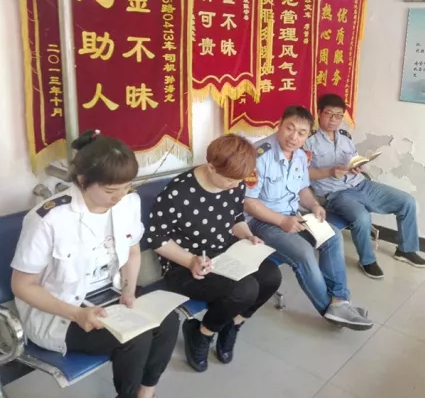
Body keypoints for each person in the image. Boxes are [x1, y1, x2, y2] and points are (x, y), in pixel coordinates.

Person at [11, 130, 179, 398]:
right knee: (136, 338)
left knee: (168, 322)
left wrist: (129, 291)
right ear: (82, 180)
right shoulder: (48, 219)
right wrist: (76, 314)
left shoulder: (128, 203)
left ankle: (146, 393)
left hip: (112, 294)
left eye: (126, 186)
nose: (120, 196)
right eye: (111, 190)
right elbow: (22, 285)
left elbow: (132, 251)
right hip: (62, 310)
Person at [147, 134, 282, 372]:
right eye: (230, 180)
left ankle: (233, 324)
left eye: (239, 180)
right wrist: (190, 260)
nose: (235, 185)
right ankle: (202, 333)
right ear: (211, 167)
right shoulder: (178, 192)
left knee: (271, 276)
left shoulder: (235, 182)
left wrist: (247, 236)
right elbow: (157, 240)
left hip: (223, 251)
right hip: (185, 265)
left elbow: (236, 218)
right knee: (245, 290)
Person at [244, 106, 373, 331]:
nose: (294, 137)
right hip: (261, 221)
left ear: (307, 135)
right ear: (279, 125)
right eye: (289, 128)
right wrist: (281, 221)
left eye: (301, 133)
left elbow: (303, 188)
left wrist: (313, 205)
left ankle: (340, 301)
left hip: (292, 215)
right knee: (304, 252)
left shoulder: (301, 156)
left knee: (332, 236)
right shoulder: (259, 155)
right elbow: (248, 202)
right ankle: (329, 310)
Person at [306, 94, 425, 279]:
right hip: (335, 193)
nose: (333, 120)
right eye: (328, 114)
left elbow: (352, 160)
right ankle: (367, 260)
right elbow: (302, 173)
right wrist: (328, 172)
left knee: (407, 201)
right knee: (362, 217)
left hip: (360, 184)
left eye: (338, 116)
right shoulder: (308, 141)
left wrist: (357, 167)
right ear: (319, 113)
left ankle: (406, 250)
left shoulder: (345, 137)